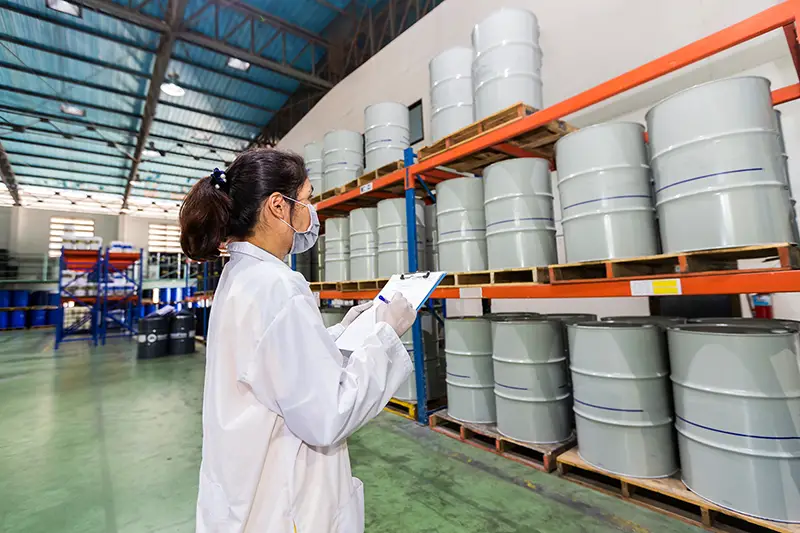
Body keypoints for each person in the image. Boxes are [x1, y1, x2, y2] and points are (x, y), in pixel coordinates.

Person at [180, 148, 417, 533]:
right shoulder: (278, 286)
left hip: (246, 497)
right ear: (277, 206)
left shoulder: (241, 275)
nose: (310, 213)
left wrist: (344, 332)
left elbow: (274, 364)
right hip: (284, 507)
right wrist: (387, 336)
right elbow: (328, 415)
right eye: (305, 200)